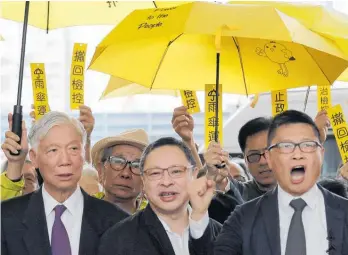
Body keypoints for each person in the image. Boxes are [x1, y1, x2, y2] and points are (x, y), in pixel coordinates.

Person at [207, 110, 348, 255]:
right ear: (269, 157)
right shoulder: (244, 217)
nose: (297, 155)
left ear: (321, 152)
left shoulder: (344, 213)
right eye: (286, 147)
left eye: (307, 145)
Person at [1, 111, 128, 255]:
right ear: (34, 157)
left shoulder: (118, 221)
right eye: (53, 150)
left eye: (73, 149)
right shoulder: (6, 218)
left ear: (83, 155)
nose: (65, 161)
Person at [98, 137, 221, 255]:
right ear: (143, 180)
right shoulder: (118, 239)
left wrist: (199, 221)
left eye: (176, 171)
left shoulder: (224, 234)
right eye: (155, 173)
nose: (166, 182)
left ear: (194, 174)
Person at [91, 129, 149, 213]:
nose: (126, 173)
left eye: (136, 165)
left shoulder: (157, 220)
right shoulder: (81, 211)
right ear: (101, 170)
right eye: (118, 161)